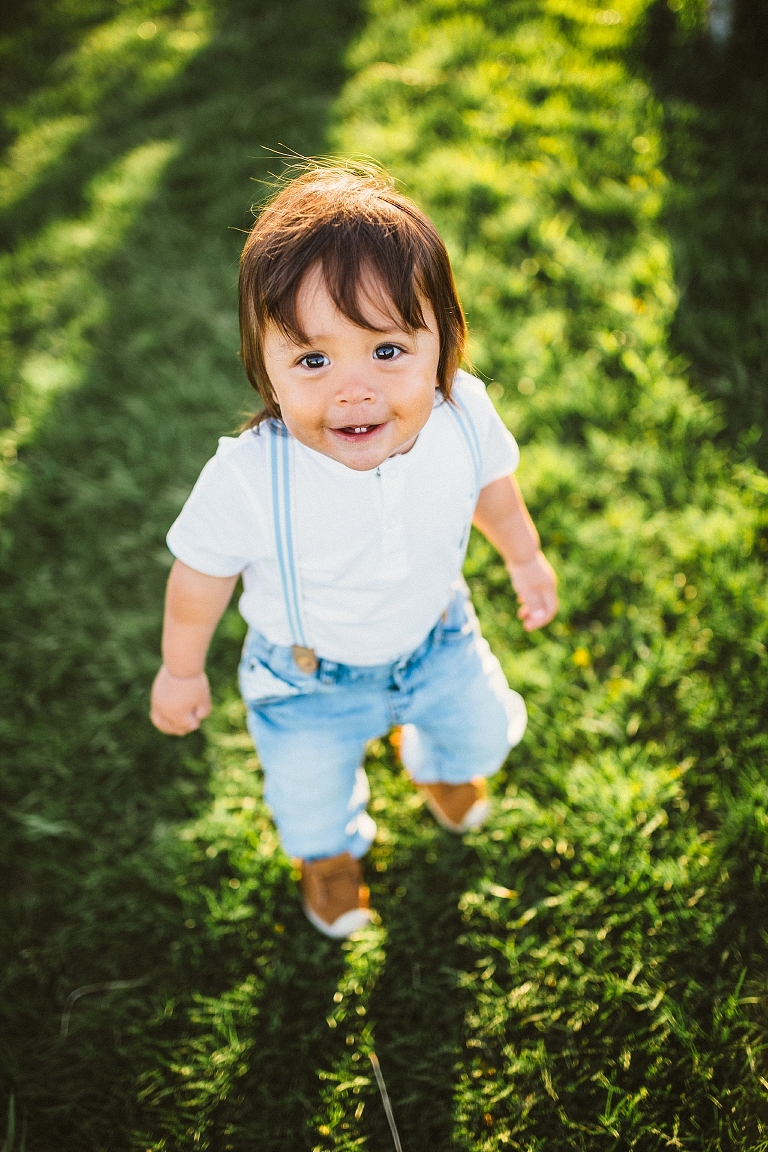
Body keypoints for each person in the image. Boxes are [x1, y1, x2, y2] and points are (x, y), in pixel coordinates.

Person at [150, 165, 558, 939]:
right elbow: (199, 577)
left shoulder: (462, 414)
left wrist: (525, 559)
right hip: (307, 681)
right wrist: (180, 666)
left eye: (387, 351)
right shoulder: (250, 476)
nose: (353, 389)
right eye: (312, 360)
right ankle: (330, 858)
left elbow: (492, 489)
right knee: (308, 793)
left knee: (476, 733)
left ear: (443, 342)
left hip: (438, 639)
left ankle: (436, 761)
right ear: (264, 367)